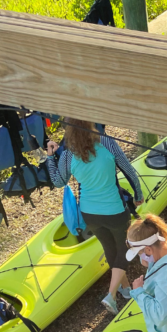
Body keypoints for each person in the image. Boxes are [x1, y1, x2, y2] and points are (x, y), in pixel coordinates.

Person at [46, 120, 144, 315]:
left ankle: (125, 289)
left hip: (90, 214)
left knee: (110, 249)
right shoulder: (107, 143)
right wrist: (138, 195)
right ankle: (111, 294)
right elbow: (129, 170)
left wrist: (50, 156)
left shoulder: (67, 155)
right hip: (115, 210)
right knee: (125, 249)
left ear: (69, 133)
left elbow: (58, 181)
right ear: (91, 125)